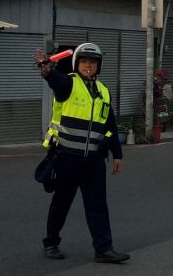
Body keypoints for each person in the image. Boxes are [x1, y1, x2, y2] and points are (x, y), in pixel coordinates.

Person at [34, 43, 128, 263]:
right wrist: (47, 71)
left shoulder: (104, 91)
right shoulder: (68, 83)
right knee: (62, 202)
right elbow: (54, 80)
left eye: (93, 62)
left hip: (94, 159)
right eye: (84, 61)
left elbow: (110, 125)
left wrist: (118, 153)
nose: (88, 65)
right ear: (77, 64)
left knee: (98, 205)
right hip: (67, 156)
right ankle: (51, 242)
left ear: (98, 66)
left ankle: (104, 249)